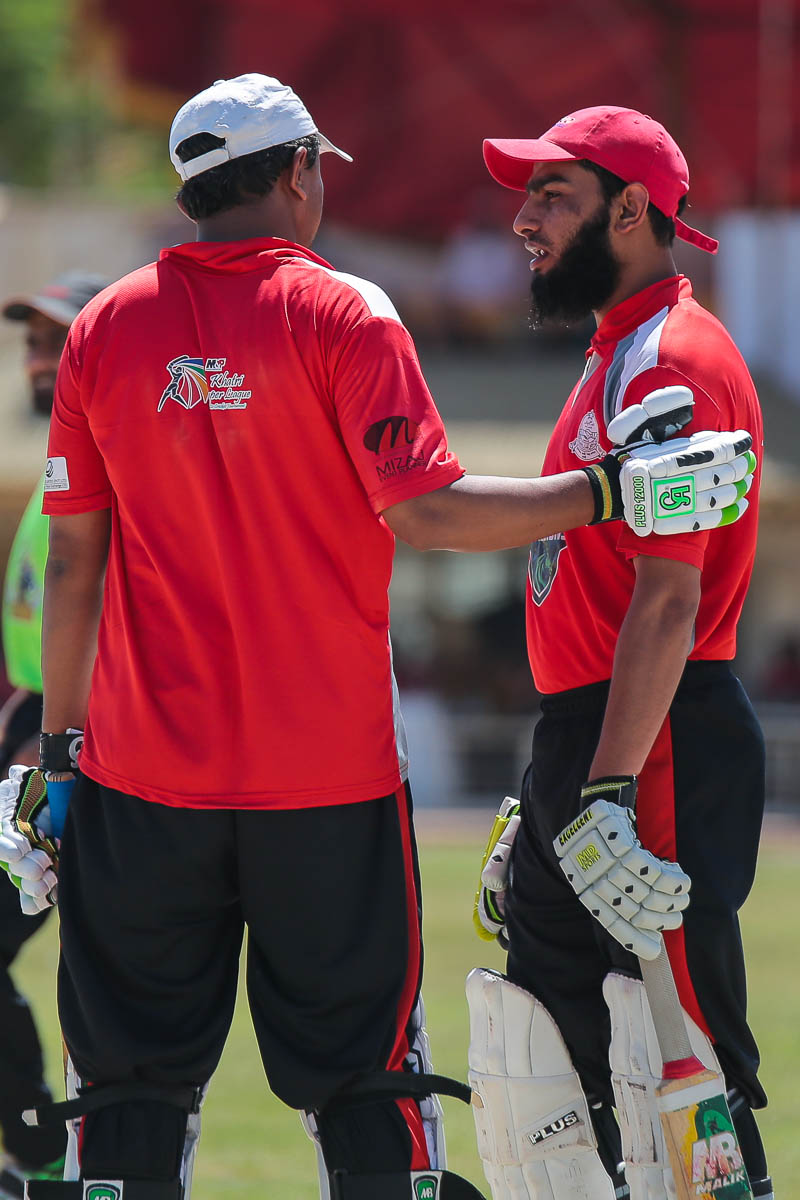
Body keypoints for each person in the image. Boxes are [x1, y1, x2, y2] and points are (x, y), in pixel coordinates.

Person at [0, 78, 754, 1200]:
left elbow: (73, 562)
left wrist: (57, 758)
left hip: (144, 778)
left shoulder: (107, 325)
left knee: (127, 1091)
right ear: (299, 170)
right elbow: (430, 512)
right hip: (332, 778)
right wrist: (606, 493)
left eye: (551, 195)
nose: (525, 219)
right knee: (369, 1081)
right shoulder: (348, 312)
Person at [470, 107, 773, 1200]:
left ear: (632, 209)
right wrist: (556, 786)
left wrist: (603, 789)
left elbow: (667, 598)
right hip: (593, 740)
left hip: (653, 744)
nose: (524, 220)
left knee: (678, 1069)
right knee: (549, 1078)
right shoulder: (617, 350)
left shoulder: (672, 358)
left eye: (552, 196)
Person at [0, 273, 108, 1199]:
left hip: (75, 745)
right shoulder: (54, 472)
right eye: (33, 342)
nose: (39, 359)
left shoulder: (109, 466)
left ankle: (57, 1154)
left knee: (107, 965)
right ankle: (48, 1151)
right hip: (33, 732)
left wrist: (53, 745)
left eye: (57, 341)